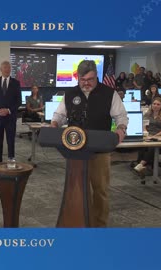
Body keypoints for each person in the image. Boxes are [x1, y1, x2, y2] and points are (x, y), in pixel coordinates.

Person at [50, 60, 128, 227]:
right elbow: (59, 115)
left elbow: (121, 117)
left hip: (99, 151)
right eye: (82, 80)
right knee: (76, 189)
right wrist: (54, 124)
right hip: (74, 151)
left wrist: (121, 129)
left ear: (96, 76)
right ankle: (79, 222)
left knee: (100, 190)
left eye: (90, 79)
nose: (86, 83)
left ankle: (99, 226)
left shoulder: (109, 93)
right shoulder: (70, 94)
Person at [0, 61, 22, 163]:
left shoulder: (16, 83)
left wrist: (8, 110)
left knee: (10, 140)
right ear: (1, 69)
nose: (7, 69)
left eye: (9, 67)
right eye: (5, 67)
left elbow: (18, 101)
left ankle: (11, 159)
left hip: (10, 117)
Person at [134, 97, 161, 176]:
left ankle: (141, 164)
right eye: (154, 104)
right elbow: (144, 126)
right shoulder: (147, 114)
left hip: (160, 136)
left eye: (158, 104)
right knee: (141, 145)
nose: (156, 106)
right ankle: (141, 165)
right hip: (148, 135)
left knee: (152, 146)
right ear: (151, 105)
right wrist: (146, 133)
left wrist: (154, 136)